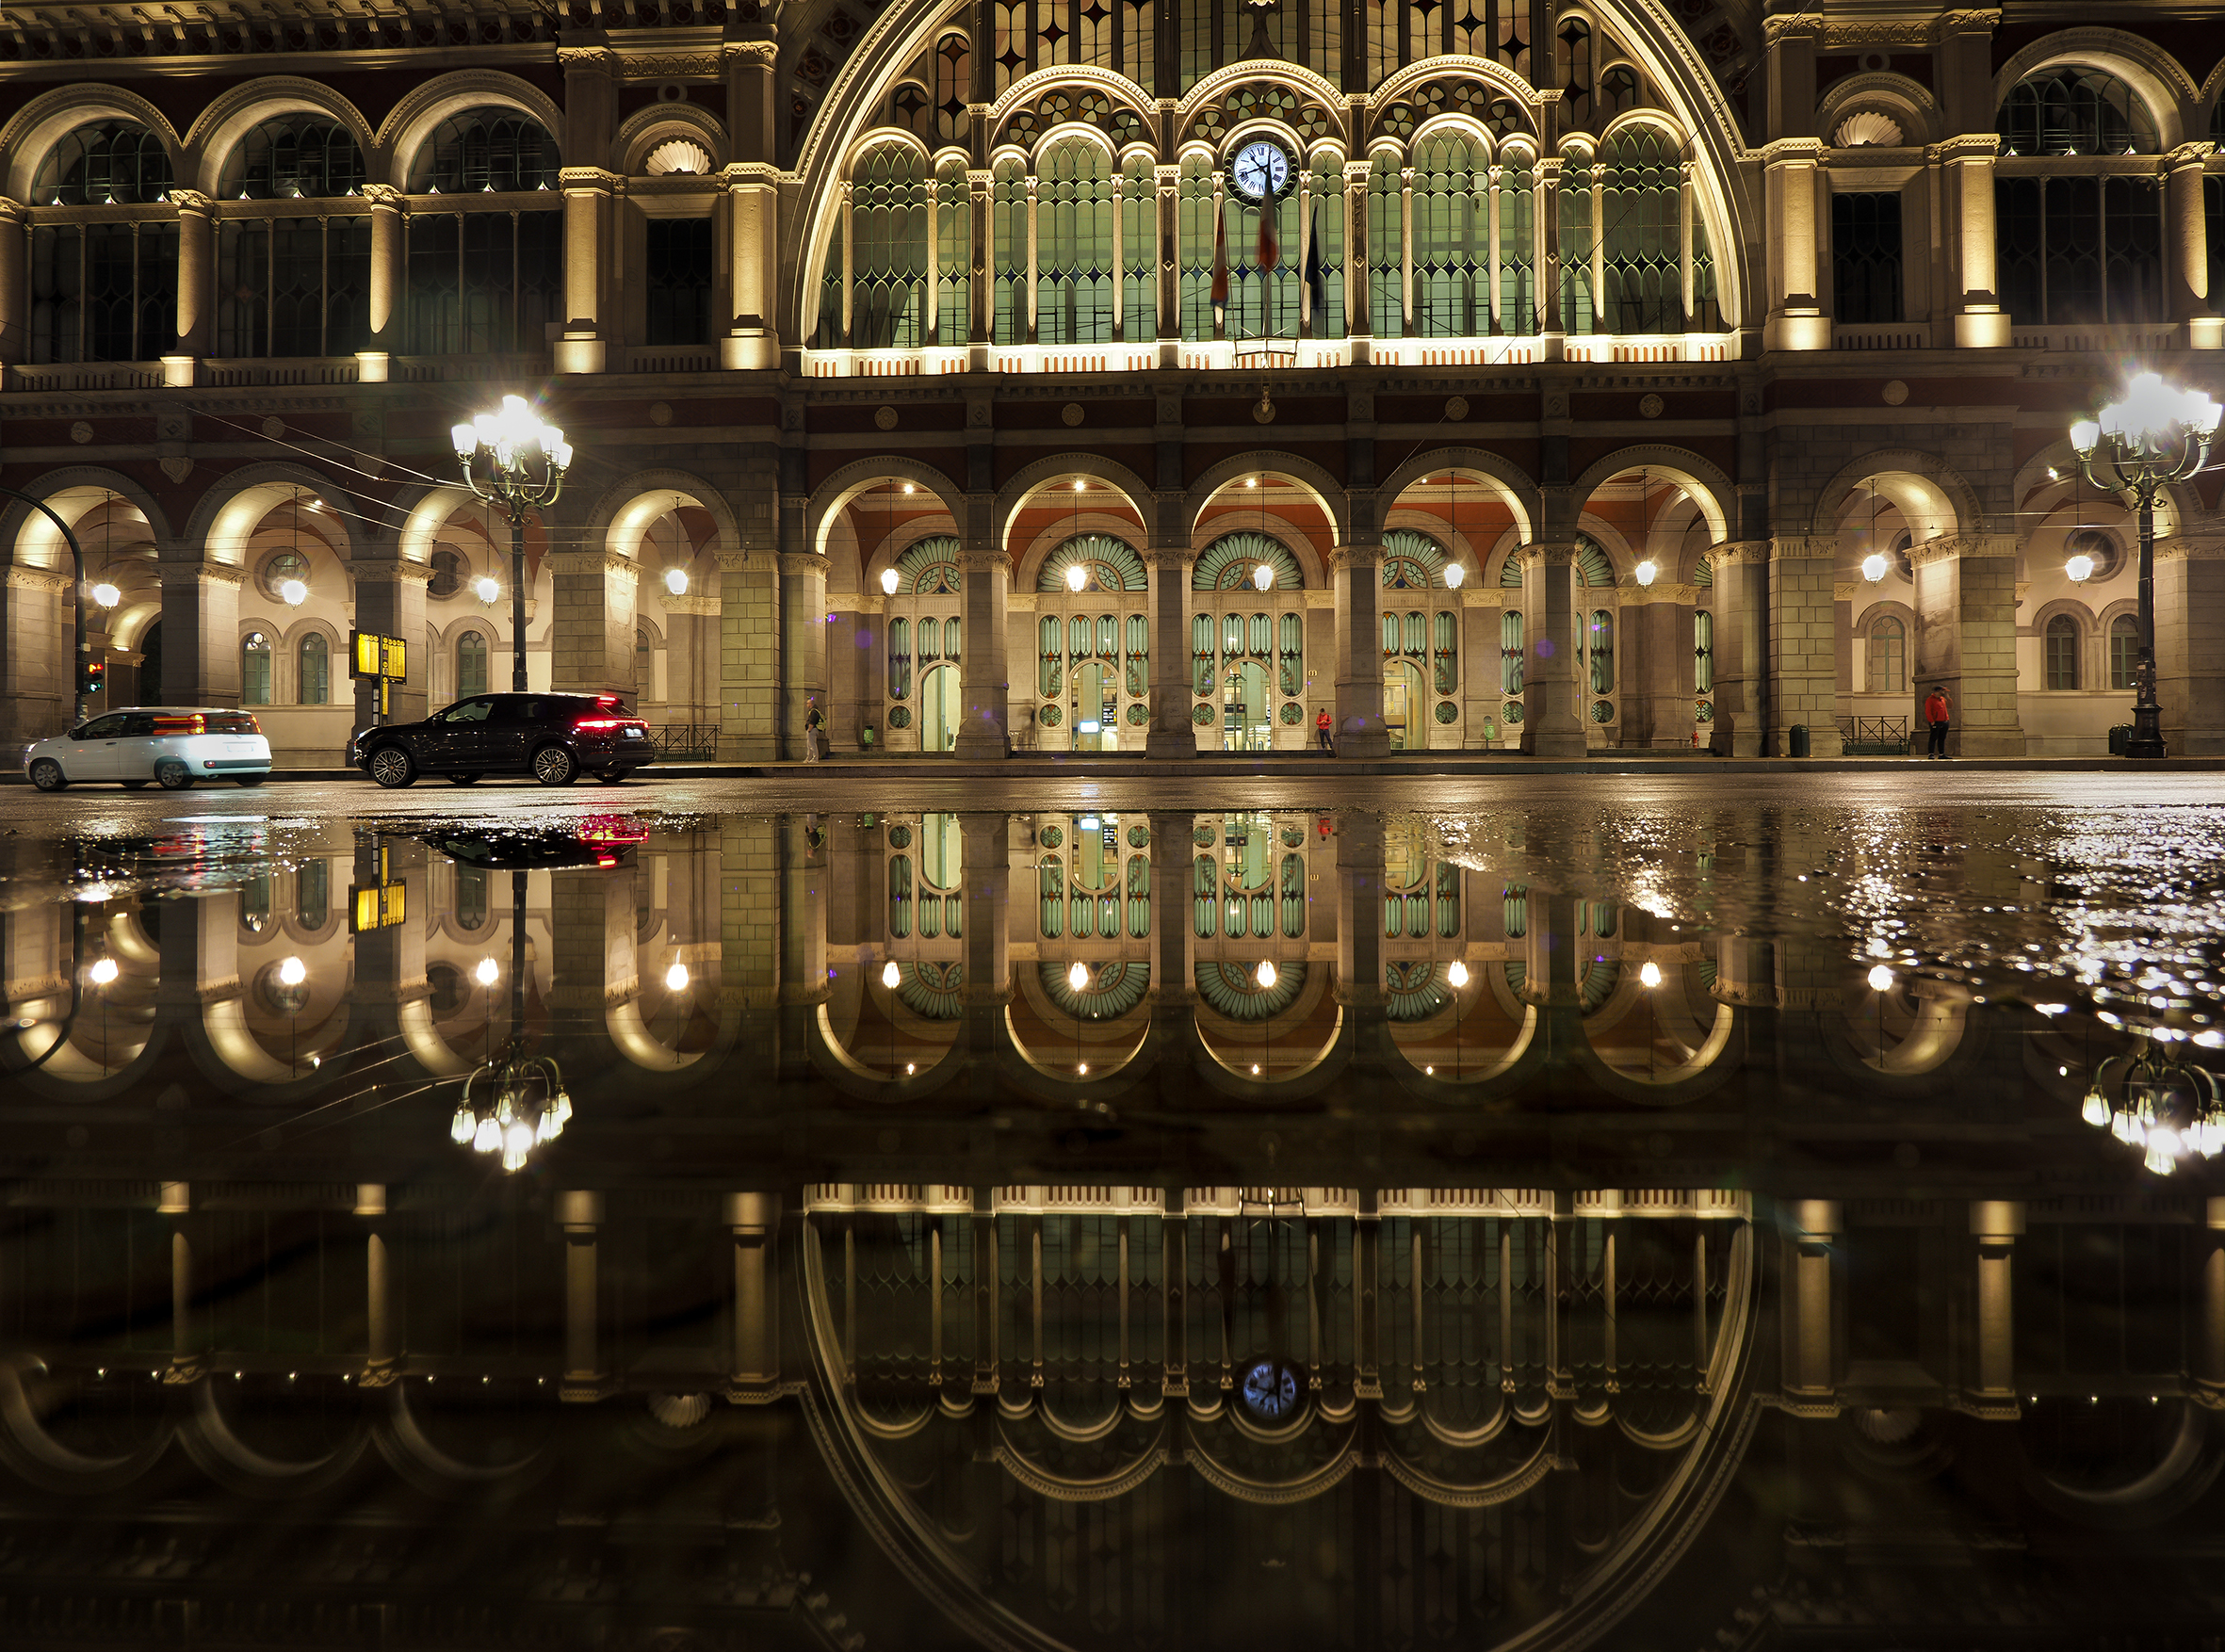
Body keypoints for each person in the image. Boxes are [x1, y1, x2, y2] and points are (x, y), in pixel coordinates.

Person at [1923, 685, 1950, 759]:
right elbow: (1928, 711)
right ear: (1937, 691)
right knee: (1933, 737)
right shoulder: (1930, 700)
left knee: (1942, 738)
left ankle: (1941, 754)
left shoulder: (1942, 699)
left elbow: (1950, 706)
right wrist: (1931, 720)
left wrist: (1948, 698)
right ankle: (1931, 753)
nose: (1944, 692)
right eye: (1942, 690)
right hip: (1936, 721)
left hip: (1944, 720)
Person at [804, 698, 824, 762]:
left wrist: (809, 729)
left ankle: (815, 758)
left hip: (812, 730)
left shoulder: (813, 712)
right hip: (812, 730)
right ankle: (809, 758)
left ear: (811, 704)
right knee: (809, 745)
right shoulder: (814, 711)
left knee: (812, 745)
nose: (807, 705)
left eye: (807, 703)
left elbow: (812, 721)